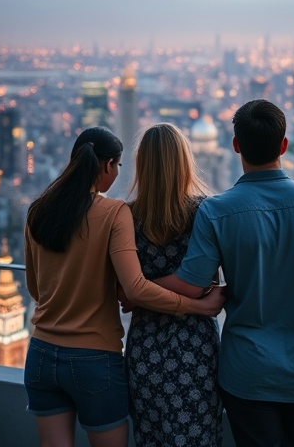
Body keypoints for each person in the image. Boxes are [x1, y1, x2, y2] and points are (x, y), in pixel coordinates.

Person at [155, 100, 294, 447]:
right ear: (284, 145)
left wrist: (134, 287)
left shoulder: (216, 211)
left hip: (247, 371)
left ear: (236, 146)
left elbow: (191, 285)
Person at [23, 126, 224, 447]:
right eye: (116, 166)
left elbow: (36, 288)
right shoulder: (117, 213)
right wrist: (199, 305)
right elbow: (138, 287)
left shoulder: (39, 210)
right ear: (107, 166)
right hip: (107, 355)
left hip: (44, 353)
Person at [123, 123, 223, 447]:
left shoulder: (126, 215)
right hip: (194, 347)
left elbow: (125, 290)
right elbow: (207, 284)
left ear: (142, 166)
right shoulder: (204, 212)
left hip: (144, 347)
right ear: (184, 161)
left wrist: (140, 292)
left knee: (150, 438)